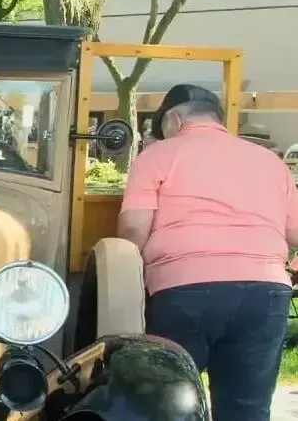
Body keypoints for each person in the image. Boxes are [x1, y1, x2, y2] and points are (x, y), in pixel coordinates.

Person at [117, 83, 298, 421]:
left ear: (173, 119)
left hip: (185, 290)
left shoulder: (157, 155)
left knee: (165, 404)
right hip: (267, 293)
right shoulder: (270, 161)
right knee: (247, 409)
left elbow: (132, 231)